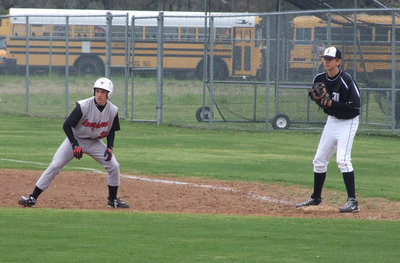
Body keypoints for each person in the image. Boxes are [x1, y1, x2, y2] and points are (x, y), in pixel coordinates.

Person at [18, 77, 129, 209]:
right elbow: (66, 125)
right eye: (97, 91)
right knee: (55, 165)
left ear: (108, 94)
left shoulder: (113, 110)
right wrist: (75, 144)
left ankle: (112, 200)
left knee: (114, 166)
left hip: (95, 143)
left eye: (103, 92)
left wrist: (110, 147)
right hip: (76, 139)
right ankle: (32, 197)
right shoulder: (83, 106)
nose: (99, 94)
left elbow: (111, 130)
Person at [296, 47, 361, 213]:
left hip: (348, 122)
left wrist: (332, 104)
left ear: (338, 62)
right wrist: (317, 99)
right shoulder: (319, 78)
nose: (326, 62)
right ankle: (316, 198)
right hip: (332, 121)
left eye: (330, 59)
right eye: (325, 59)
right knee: (319, 160)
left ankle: (353, 201)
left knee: (343, 160)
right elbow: (315, 95)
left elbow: (356, 107)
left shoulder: (346, 80)